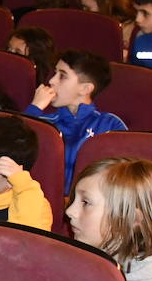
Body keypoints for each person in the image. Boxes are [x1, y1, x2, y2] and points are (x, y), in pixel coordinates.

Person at [24, 50, 127, 194]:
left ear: (85, 89)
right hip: (41, 201)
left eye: (62, 76)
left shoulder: (110, 125)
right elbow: (8, 148)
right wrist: (34, 109)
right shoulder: (41, 123)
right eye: (55, 73)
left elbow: (123, 178)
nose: (52, 81)